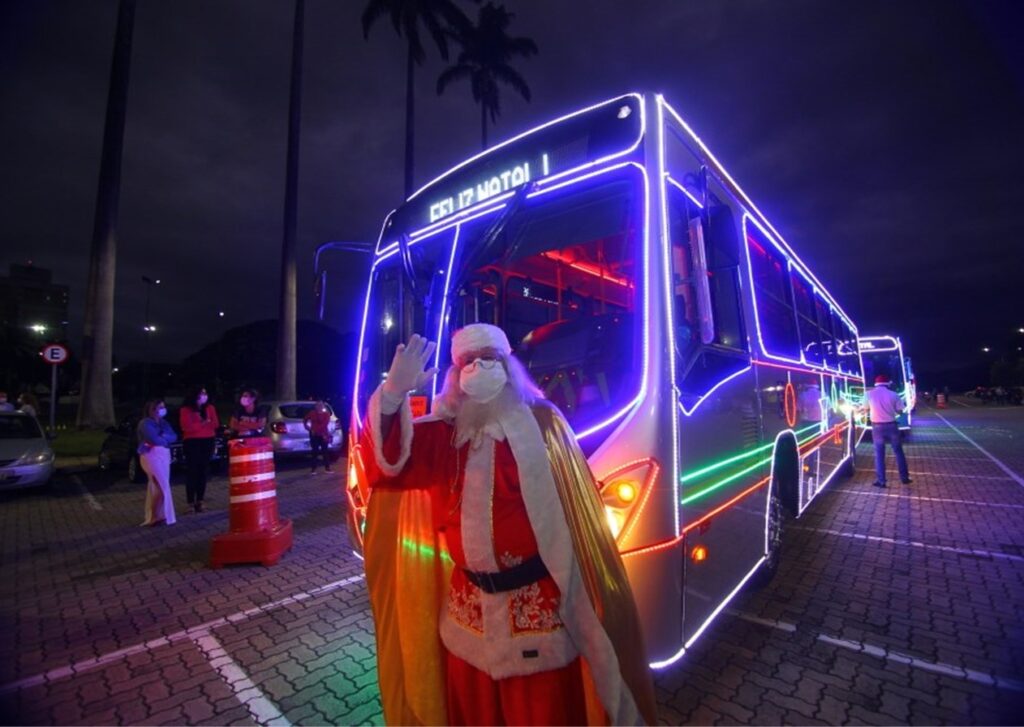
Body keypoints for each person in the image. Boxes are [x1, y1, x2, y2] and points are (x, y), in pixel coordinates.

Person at [359, 326, 656, 726]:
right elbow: (390, 464)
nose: (479, 367)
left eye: (489, 358)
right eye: (468, 361)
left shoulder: (544, 423)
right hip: (469, 615)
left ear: (509, 366)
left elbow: (575, 507)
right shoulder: (445, 435)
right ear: (455, 374)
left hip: (536, 611)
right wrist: (394, 394)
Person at [863, 374, 912, 488]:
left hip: (877, 427)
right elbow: (900, 411)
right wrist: (891, 413)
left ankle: (882, 481)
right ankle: (904, 478)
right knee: (898, 452)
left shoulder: (868, 394)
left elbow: (865, 409)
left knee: (879, 454)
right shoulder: (894, 395)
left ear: (876, 383)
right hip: (892, 426)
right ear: (887, 384)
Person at [138, 399, 178, 526]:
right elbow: (154, 439)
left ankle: (159, 514)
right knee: (161, 485)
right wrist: (164, 438)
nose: (162, 409)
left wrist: (163, 437)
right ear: (152, 410)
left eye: (163, 407)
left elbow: (173, 436)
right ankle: (154, 515)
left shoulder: (163, 423)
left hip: (163, 455)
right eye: (160, 407)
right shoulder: (145, 423)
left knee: (158, 486)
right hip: (151, 455)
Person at [180, 386, 220, 513]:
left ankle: (200, 501)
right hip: (192, 442)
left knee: (203, 471)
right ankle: (190, 502)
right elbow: (186, 427)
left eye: (205, 393)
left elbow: (215, 424)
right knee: (192, 471)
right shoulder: (186, 410)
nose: (204, 395)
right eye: (201, 393)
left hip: (207, 441)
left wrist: (202, 425)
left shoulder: (210, 408)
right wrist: (203, 423)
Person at [303, 400, 333, 474]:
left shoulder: (326, 414)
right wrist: (307, 427)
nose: (319, 407)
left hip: (323, 435)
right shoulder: (312, 413)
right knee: (314, 452)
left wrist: (314, 430)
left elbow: (325, 424)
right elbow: (305, 420)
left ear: (323, 406)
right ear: (316, 406)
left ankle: (327, 468)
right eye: (318, 405)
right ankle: (313, 469)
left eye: (321, 405)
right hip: (314, 435)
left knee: (325, 451)